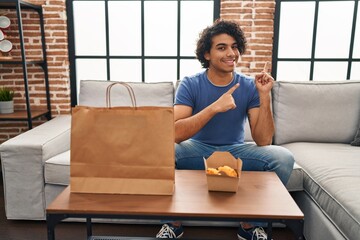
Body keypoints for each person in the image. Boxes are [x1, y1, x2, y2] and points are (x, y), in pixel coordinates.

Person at [156, 19, 295, 240]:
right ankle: (172, 224)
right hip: (196, 151)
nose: (231, 53)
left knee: (284, 157)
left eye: (234, 47)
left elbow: (263, 140)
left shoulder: (249, 86)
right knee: (161, 150)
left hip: (235, 153)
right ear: (207, 54)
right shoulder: (190, 84)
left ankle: (249, 226)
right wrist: (213, 108)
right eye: (222, 47)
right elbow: (173, 133)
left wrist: (264, 95)